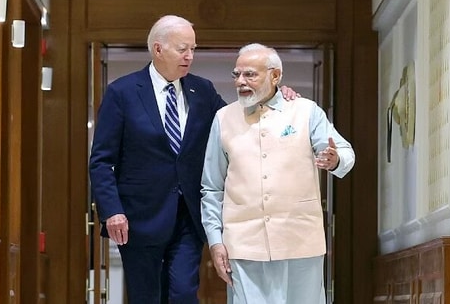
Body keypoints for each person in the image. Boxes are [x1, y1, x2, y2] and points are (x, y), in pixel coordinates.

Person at [89, 16, 298, 304]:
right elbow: (101, 160)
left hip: (189, 213)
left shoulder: (203, 91)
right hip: (139, 216)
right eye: (182, 49)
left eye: (193, 49)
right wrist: (112, 210)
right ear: (158, 49)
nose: (190, 56)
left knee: (184, 293)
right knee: (146, 296)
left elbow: (238, 121)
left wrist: (274, 97)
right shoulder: (122, 92)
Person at [200, 43, 356, 304]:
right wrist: (216, 242)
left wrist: (335, 159)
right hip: (243, 246)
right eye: (236, 74)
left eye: (250, 74)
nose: (240, 81)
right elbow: (211, 188)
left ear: (275, 76)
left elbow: (344, 151)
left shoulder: (306, 111)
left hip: (301, 241)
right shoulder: (223, 118)